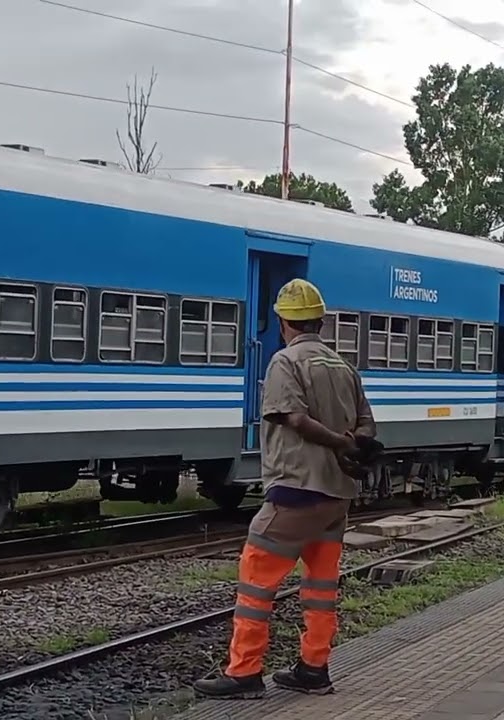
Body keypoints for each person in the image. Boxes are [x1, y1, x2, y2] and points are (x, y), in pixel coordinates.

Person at [194, 278, 377, 700]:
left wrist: (338, 442)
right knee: (321, 586)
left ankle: (244, 672)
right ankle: (314, 669)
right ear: (321, 322)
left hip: (296, 488)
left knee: (256, 579)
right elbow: (368, 424)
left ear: (283, 322)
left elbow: (293, 418)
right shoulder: (342, 366)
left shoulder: (285, 362)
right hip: (336, 495)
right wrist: (354, 443)